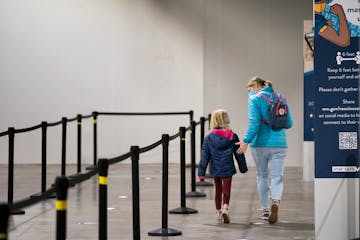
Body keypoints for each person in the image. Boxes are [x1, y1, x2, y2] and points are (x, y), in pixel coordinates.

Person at [236, 76, 293, 224]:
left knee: (262, 176)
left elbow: (254, 123)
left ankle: (266, 210)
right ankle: (276, 201)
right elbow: (289, 123)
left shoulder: (254, 99)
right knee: (277, 177)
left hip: (259, 144)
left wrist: (246, 141)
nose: (249, 93)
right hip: (279, 144)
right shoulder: (280, 97)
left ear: (255, 86)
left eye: (250, 90)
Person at [198, 109, 246, 224]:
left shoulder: (209, 138)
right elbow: (239, 153)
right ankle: (225, 207)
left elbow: (204, 156)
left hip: (215, 167)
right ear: (225, 119)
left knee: (218, 189)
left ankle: (218, 211)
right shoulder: (232, 136)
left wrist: (201, 173)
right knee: (226, 189)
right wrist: (243, 167)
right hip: (228, 166)